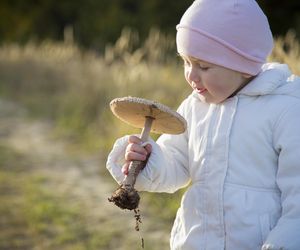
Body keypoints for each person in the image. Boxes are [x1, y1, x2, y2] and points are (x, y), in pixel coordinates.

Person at [106, 0, 300, 249]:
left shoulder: (286, 110)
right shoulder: (195, 107)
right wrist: (148, 161)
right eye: (186, 62)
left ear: (242, 65)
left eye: (203, 66)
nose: (191, 75)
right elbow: (176, 162)